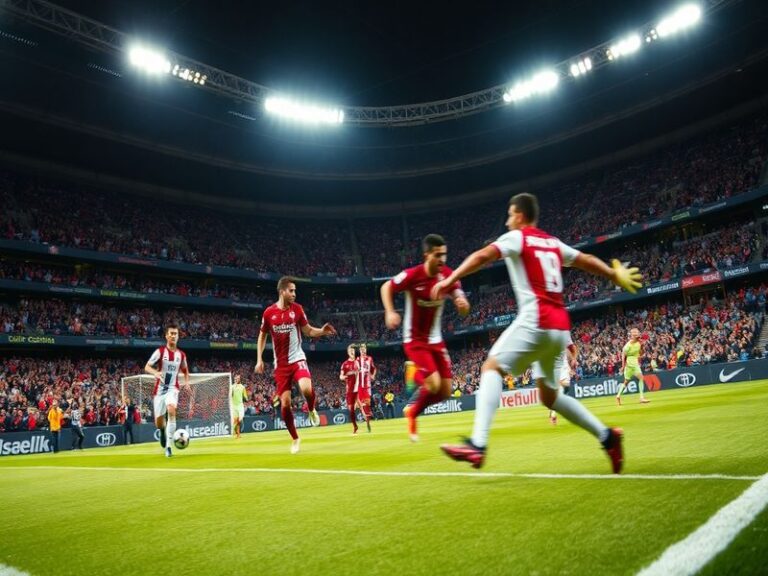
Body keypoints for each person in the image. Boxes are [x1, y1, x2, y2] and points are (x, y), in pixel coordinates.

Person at [434, 193, 642, 473]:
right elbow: (586, 260)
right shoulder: (553, 243)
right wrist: (613, 275)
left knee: (491, 367)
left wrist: (450, 278)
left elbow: (483, 256)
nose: (507, 222)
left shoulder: (518, 237)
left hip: (536, 320)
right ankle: (607, 437)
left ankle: (478, 445)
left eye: (509, 215)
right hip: (559, 328)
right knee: (549, 397)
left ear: (519, 215)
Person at [380, 234, 470, 442]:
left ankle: (412, 412)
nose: (442, 260)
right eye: (438, 255)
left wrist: (461, 302)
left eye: (444, 255)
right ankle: (418, 379)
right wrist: (390, 311)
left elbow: (458, 294)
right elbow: (387, 287)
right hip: (415, 340)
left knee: (445, 391)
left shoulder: (447, 275)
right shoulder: (413, 275)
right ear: (427, 254)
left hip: (435, 340)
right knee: (433, 385)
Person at [255, 276, 337, 454]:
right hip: (281, 365)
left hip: (297, 358)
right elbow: (262, 336)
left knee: (307, 389)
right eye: (291, 290)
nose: (294, 294)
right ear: (282, 291)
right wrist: (259, 359)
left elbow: (307, 331)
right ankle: (295, 438)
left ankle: (312, 409)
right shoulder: (269, 313)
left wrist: (322, 331)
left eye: (295, 291)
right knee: (285, 404)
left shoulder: (297, 309)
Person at [144, 324, 190, 458]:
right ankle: (163, 431)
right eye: (171, 333)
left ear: (178, 336)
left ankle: (169, 447)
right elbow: (147, 366)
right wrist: (156, 373)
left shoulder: (181, 355)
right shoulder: (160, 352)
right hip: (159, 391)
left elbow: (185, 370)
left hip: (172, 389)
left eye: (175, 334)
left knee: (171, 410)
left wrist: (186, 383)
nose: (173, 336)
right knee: (159, 424)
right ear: (166, 336)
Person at [616, 328, 650, 405]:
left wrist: (642, 346)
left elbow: (641, 353)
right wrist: (623, 366)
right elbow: (623, 355)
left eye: (637, 333)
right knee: (641, 378)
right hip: (631, 362)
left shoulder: (639, 343)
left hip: (632, 363)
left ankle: (618, 396)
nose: (637, 335)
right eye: (636, 333)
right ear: (632, 335)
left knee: (626, 381)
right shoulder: (628, 345)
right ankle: (641, 398)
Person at [548, 343, 577, 426]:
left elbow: (570, 356)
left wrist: (573, 362)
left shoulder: (564, 348)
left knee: (565, 388)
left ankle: (553, 408)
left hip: (565, 369)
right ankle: (553, 413)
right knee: (561, 391)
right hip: (558, 370)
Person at [355, 343, 377, 433]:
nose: (363, 351)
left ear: (366, 350)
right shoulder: (357, 360)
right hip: (359, 386)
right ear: (360, 351)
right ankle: (361, 418)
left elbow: (374, 369)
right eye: (362, 349)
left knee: (367, 405)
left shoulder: (370, 359)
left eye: (365, 349)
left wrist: (373, 375)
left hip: (367, 386)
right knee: (360, 405)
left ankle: (368, 423)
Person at [339, 344, 360, 435]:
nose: (352, 352)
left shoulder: (358, 362)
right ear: (348, 352)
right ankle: (355, 426)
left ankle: (367, 420)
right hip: (350, 389)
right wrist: (346, 376)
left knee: (363, 404)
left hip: (359, 387)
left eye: (353, 351)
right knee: (351, 409)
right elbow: (341, 376)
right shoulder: (345, 364)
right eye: (350, 351)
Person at [231, 374, 248, 439]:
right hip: (234, 406)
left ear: (239, 379)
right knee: (236, 420)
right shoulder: (232, 387)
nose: (236, 380)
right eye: (235, 379)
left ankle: (232, 429)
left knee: (240, 419)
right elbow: (230, 395)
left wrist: (246, 398)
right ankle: (238, 435)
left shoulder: (242, 387)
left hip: (240, 405)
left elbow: (245, 396)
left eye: (237, 378)